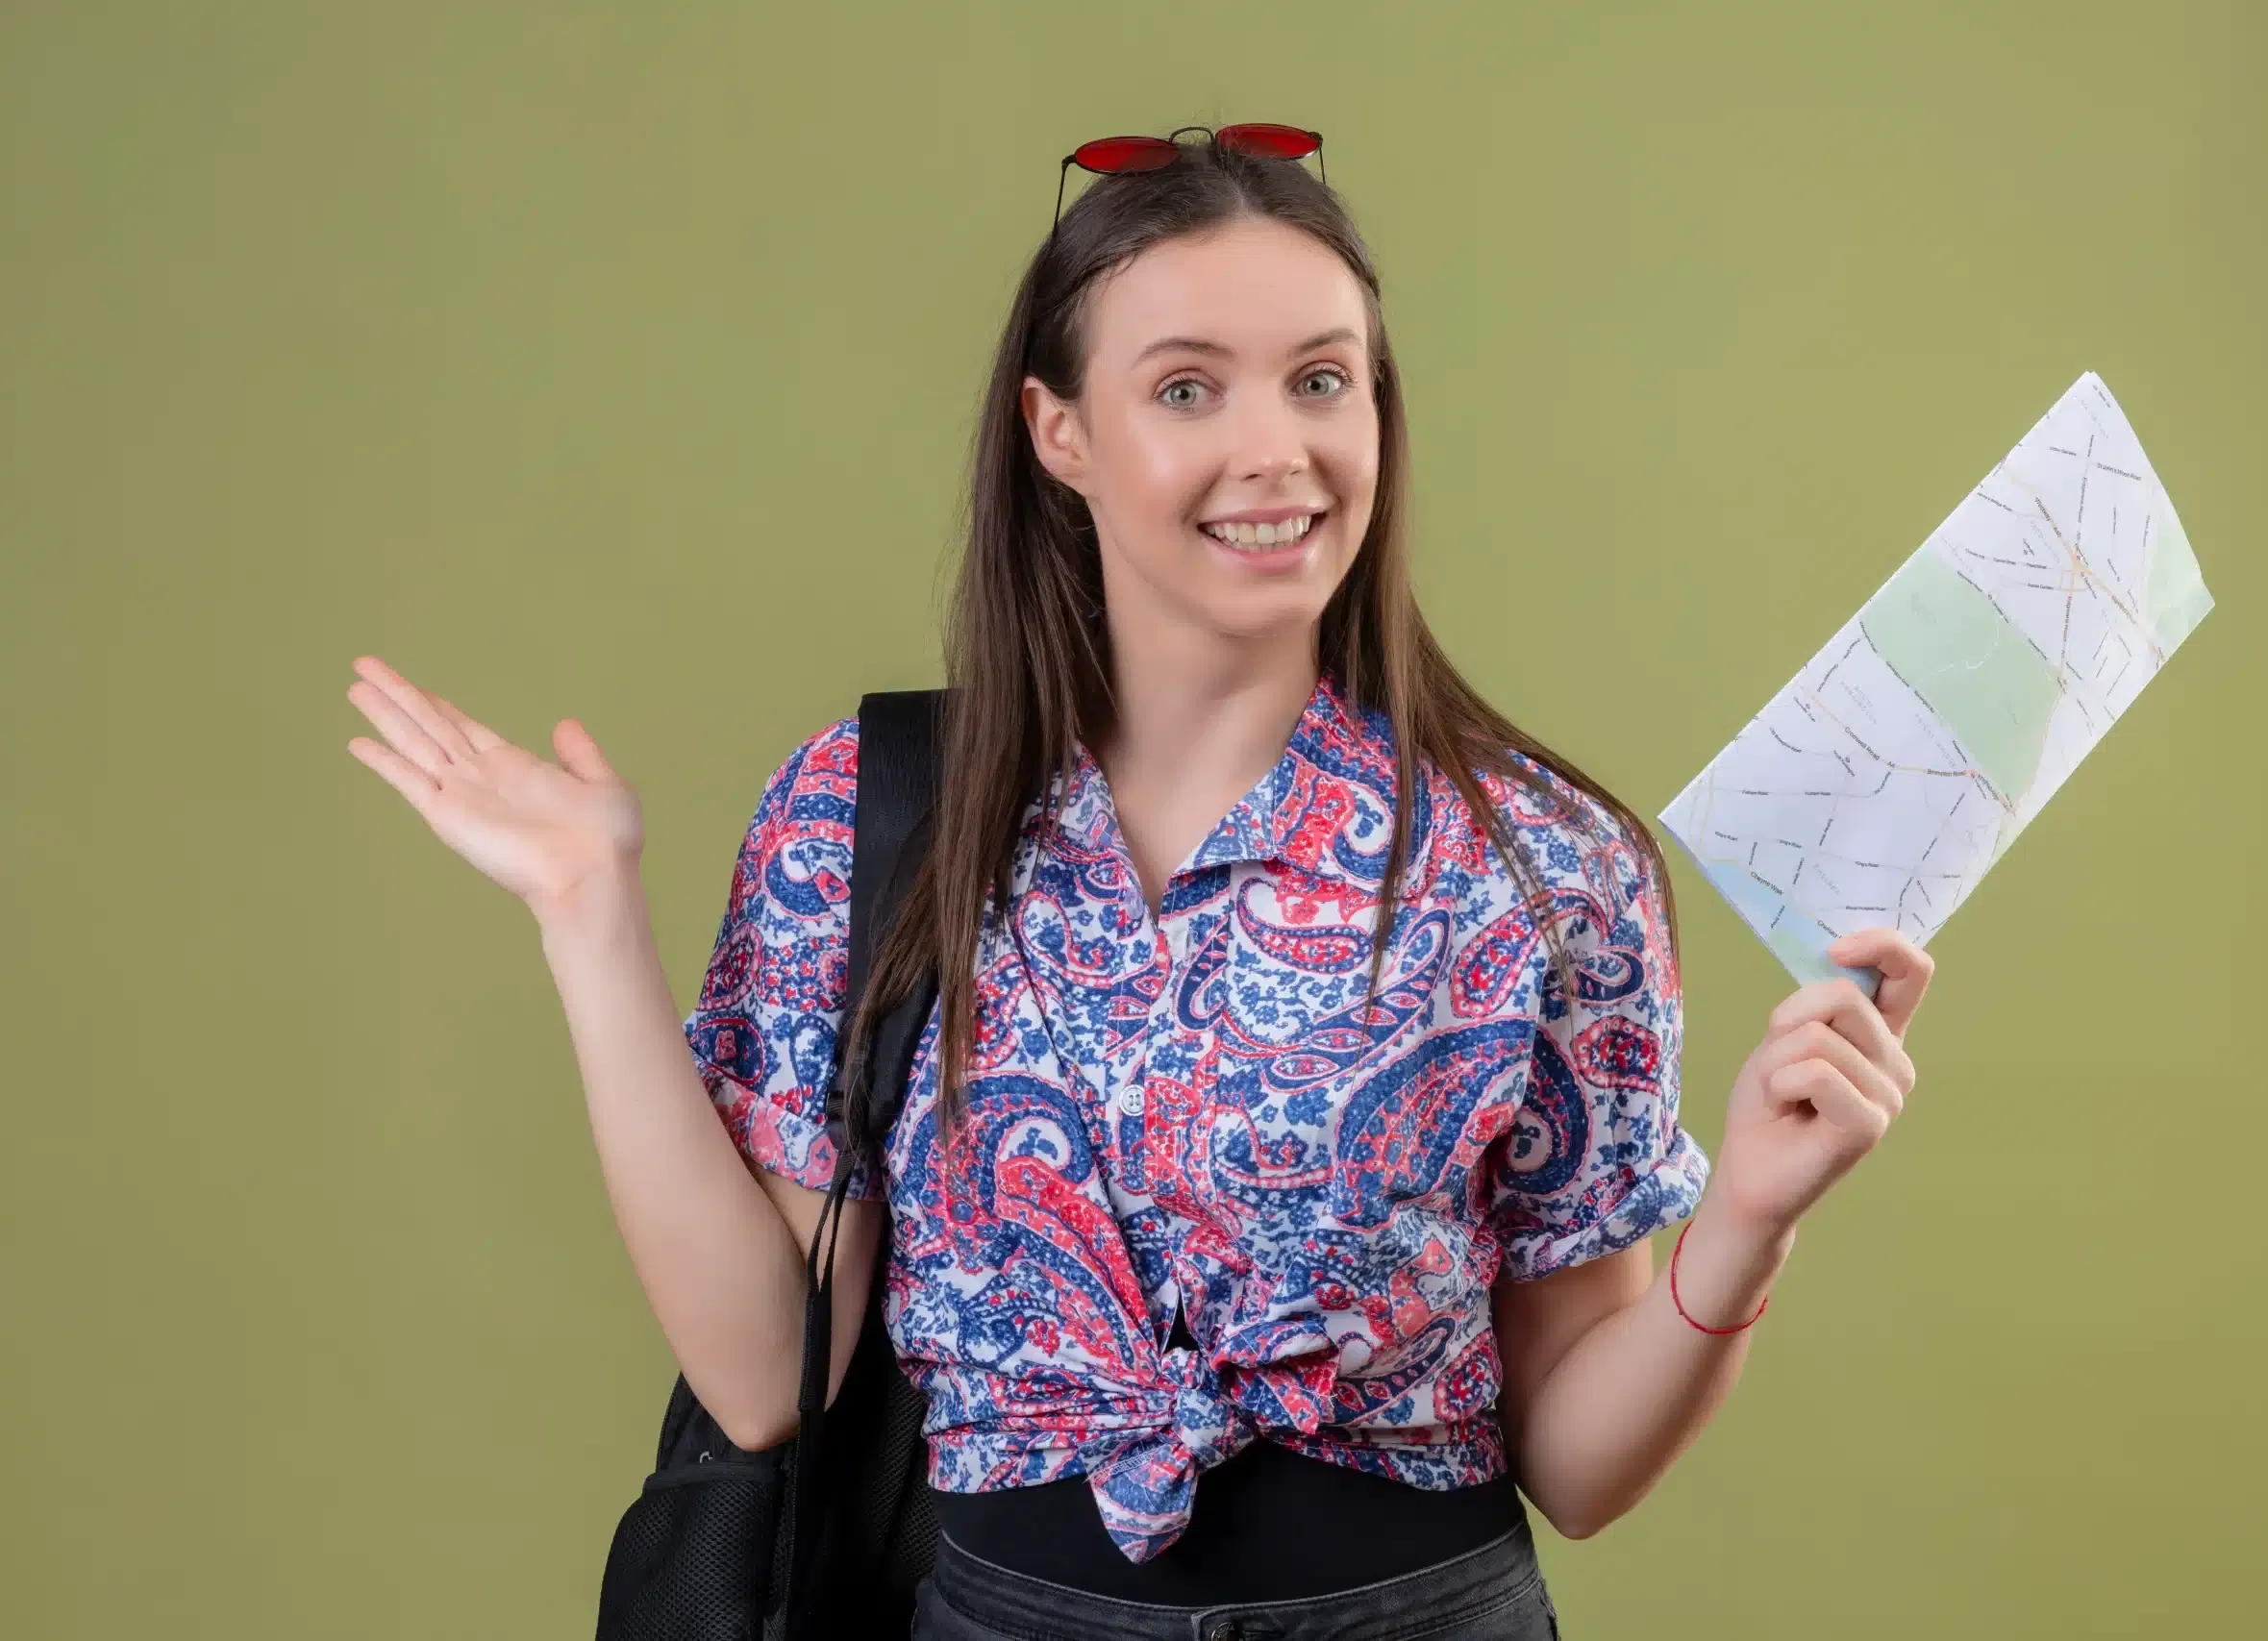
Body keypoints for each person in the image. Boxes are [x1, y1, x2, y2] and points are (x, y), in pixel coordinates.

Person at [344, 126, 1933, 1641]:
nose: (1278, 449)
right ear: (1062, 433)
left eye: (1324, 379)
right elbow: (769, 1374)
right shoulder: (870, 816)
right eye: (1189, 386)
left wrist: (1746, 1220)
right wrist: (588, 918)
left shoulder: (1541, 862)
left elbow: (1576, 1466)